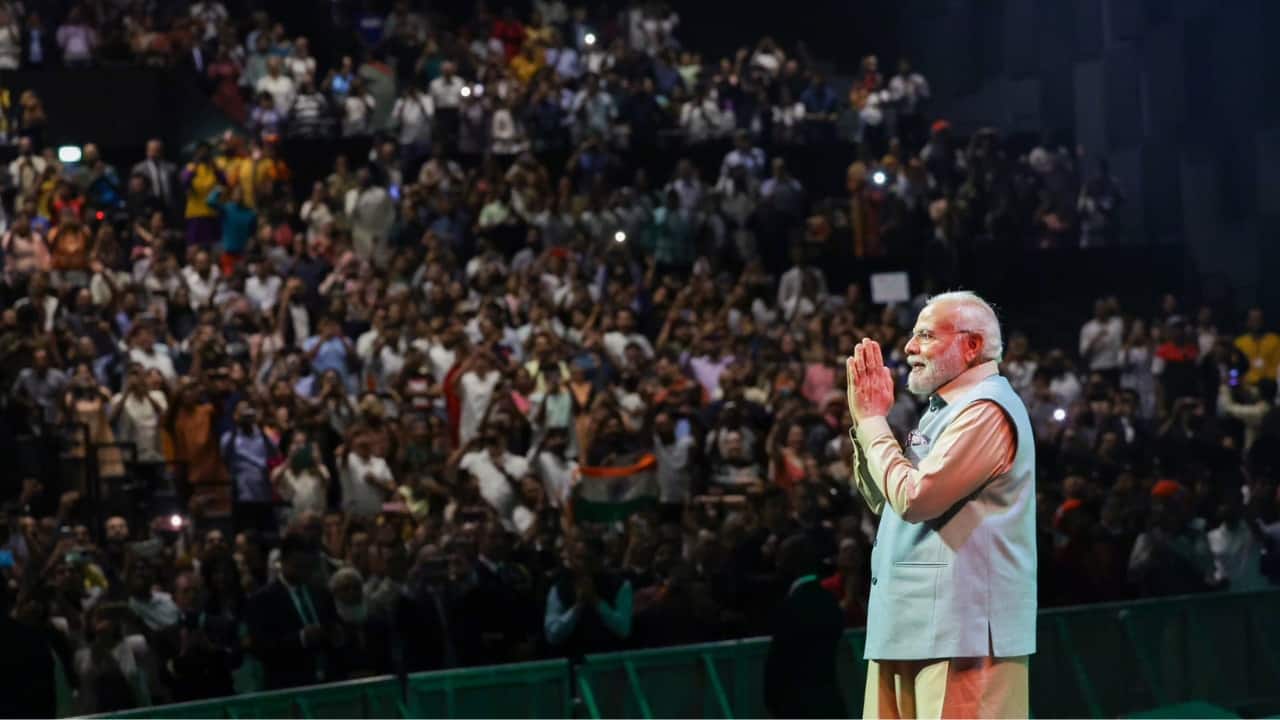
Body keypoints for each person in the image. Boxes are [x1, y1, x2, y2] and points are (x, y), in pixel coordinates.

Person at [847, 290, 1034, 718]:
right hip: (909, 629)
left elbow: (915, 499)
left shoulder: (988, 407)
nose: (910, 347)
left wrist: (875, 422)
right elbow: (886, 501)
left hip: (962, 637)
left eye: (926, 336)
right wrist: (864, 422)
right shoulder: (940, 413)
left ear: (971, 346)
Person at [763, 533, 847, 718]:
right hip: (830, 705)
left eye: (782, 558)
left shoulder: (791, 607)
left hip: (798, 709)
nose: (777, 564)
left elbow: (779, 665)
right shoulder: (829, 601)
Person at [246, 534, 344, 690]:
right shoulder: (263, 600)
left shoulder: (321, 593)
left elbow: (335, 626)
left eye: (307, 567)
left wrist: (335, 633)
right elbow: (261, 648)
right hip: (288, 685)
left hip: (327, 681)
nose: (303, 572)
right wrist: (301, 638)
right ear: (283, 562)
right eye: (297, 566)